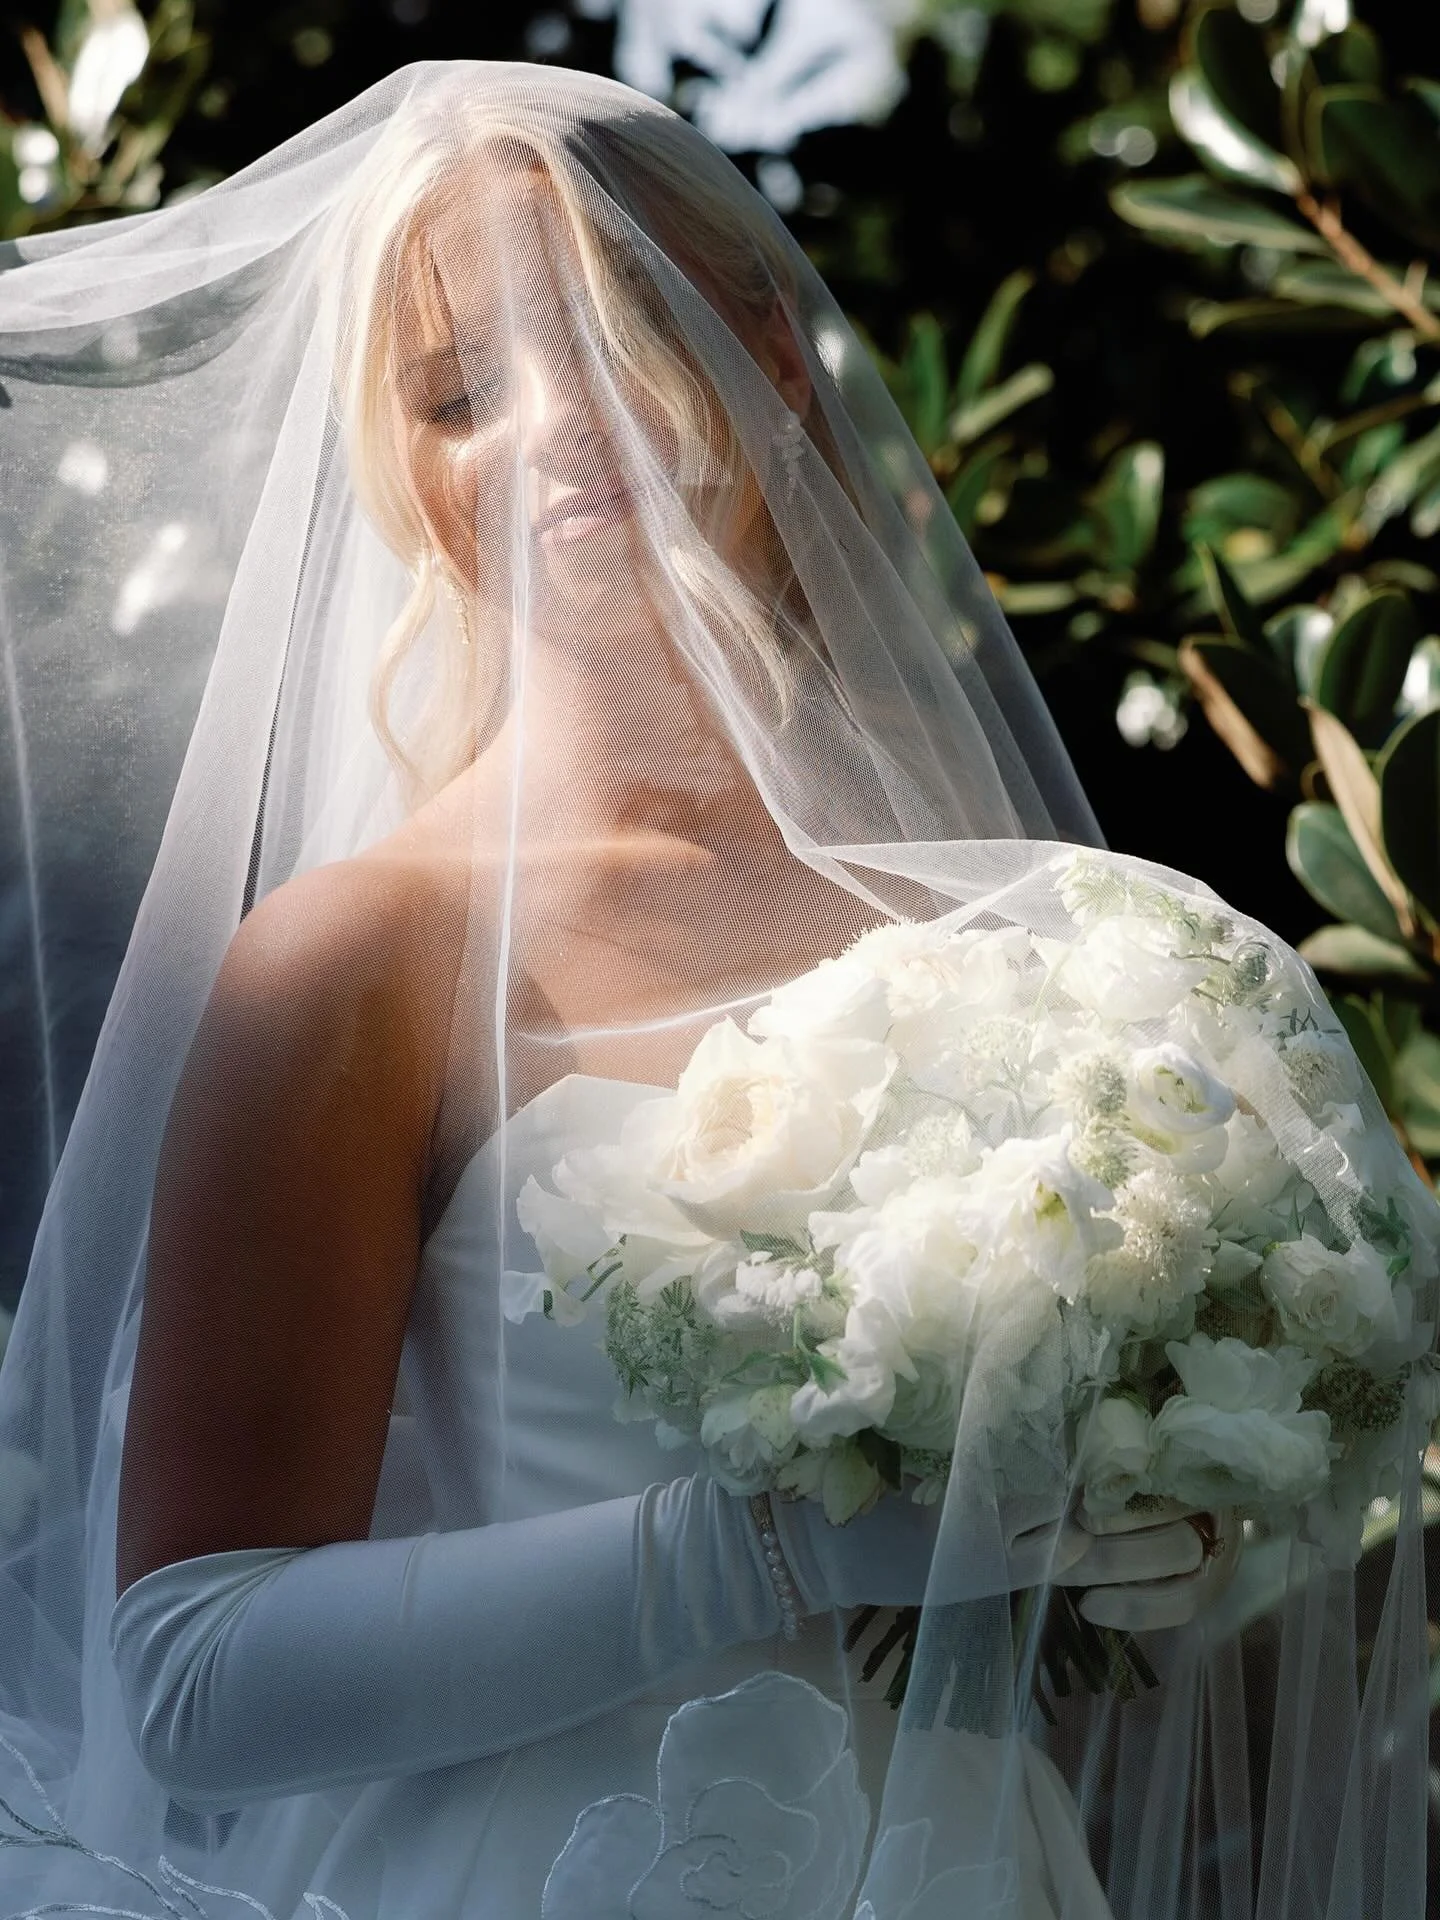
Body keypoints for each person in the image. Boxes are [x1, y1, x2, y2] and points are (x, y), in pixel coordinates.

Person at [0, 63, 1430, 1920]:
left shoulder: (1039, 943)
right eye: (458, 393)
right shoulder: (364, 960)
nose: (552, 431)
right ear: (402, 484)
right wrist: (747, 1550)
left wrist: (1176, 1525)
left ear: (762, 344)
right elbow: (188, 1673)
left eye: (612, 330)